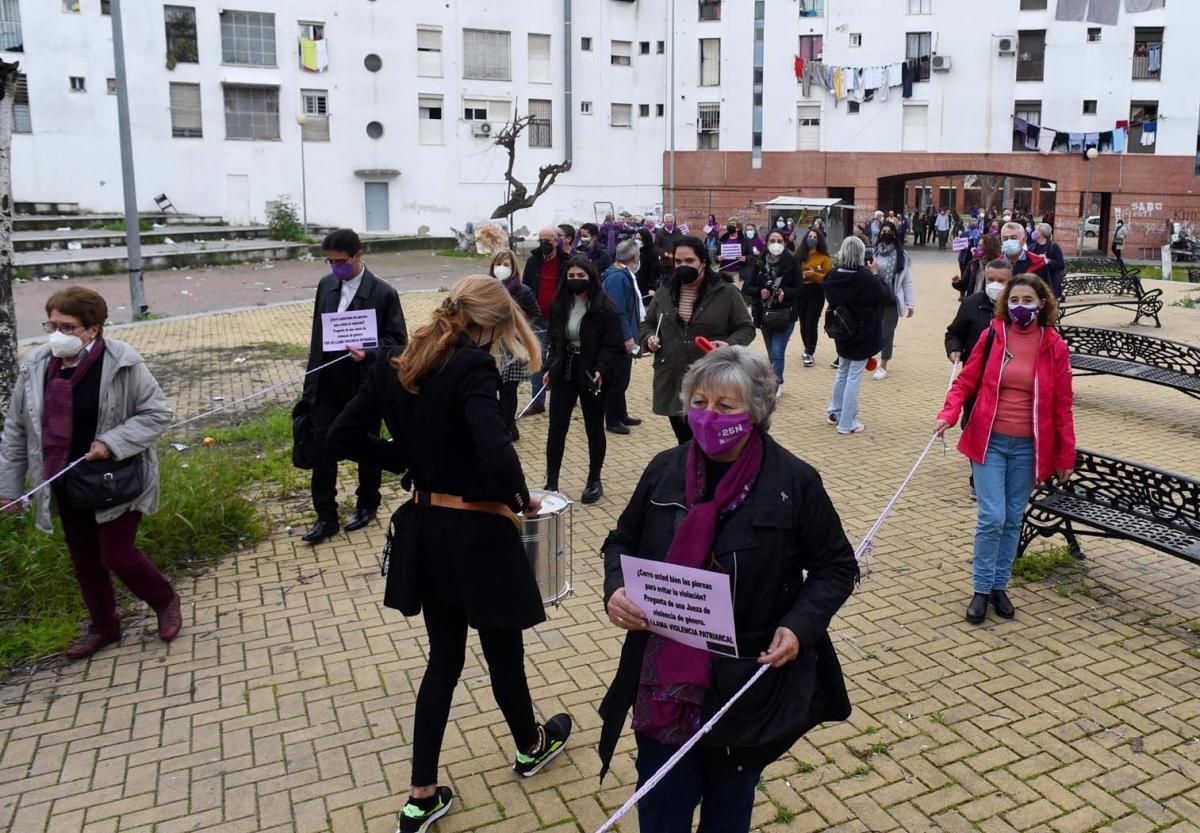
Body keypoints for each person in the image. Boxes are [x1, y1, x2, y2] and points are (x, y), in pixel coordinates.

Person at [326, 276, 571, 833]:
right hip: (480, 534)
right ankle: (530, 747)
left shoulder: (398, 362)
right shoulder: (474, 367)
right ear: (488, 324)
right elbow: (494, 446)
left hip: (428, 528)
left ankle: (421, 796)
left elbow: (340, 437)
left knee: (445, 660)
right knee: (502, 653)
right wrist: (520, 498)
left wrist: (411, 464)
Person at [597, 346, 858, 833]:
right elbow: (622, 540)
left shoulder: (794, 482)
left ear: (757, 411)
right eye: (699, 402)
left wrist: (800, 627)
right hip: (664, 682)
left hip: (744, 686)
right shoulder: (664, 469)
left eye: (725, 406)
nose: (708, 416)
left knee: (728, 811)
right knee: (662, 812)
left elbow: (837, 566)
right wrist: (615, 588)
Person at [0, 287, 179, 659]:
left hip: (116, 477)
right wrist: (8, 488)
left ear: (93, 329)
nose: (56, 335)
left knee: (118, 554)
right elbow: (17, 429)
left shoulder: (123, 362)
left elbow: (157, 413)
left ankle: (164, 600)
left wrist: (111, 442)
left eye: (67, 327)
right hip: (63, 479)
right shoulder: (36, 366)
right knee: (85, 562)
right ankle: (104, 626)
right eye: (51, 325)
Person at [935, 274, 1076, 624]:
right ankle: (981, 590)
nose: (1020, 307)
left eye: (1028, 301)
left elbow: (1062, 404)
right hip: (990, 442)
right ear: (1005, 304)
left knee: (1012, 519)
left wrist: (1065, 456)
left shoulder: (1054, 345)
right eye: (1014, 301)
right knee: (991, 517)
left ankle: (1000, 586)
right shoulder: (994, 335)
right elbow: (966, 379)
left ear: (1042, 304)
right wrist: (948, 414)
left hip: (1029, 447)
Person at [300, 229, 408, 544]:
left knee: (366, 445)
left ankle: (367, 503)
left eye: (341, 262)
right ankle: (325, 516)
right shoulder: (326, 285)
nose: (336, 268)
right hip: (328, 381)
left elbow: (398, 342)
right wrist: (311, 383)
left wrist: (370, 353)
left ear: (358, 255)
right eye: (330, 262)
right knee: (323, 447)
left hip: (363, 382)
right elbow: (317, 338)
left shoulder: (383, 293)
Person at [641, 237, 755, 444]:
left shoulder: (725, 292)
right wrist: (649, 338)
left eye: (689, 261)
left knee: (708, 440)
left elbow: (746, 328)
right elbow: (647, 324)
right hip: (672, 378)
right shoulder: (664, 291)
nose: (683, 266)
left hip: (709, 378)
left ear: (703, 261)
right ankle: (691, 474)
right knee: (684, 441)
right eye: (678, 261)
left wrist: (728, 345)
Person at [543, 257, 625, 504]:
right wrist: (550, 366)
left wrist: (601, 369)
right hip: (564, 369)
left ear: (591, 277)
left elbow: (614, 346)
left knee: (593, 427)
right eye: (571, 276)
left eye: (581, 276)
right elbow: (554, 339)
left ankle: (594, 480)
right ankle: (552, 482)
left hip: (591, 371)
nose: (576, 281)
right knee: (556, 428)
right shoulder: (560, 305)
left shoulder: (605, 309)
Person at [823, 237, 889, 434]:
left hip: (842, 329)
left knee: (843, 371)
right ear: (861, 255)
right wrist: (876, 274)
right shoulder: (866, 278)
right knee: (853, 376)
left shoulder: (832, 275)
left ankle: (835, 410)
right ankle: (847, 421)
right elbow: (885, 296)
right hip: (863, 332)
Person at [491, 249, 545, 442]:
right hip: (492, 346)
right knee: (492, 386)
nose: (501, 269)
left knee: (508, 389)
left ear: (514, 267)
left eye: (506, 265)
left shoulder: (523, 291)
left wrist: (519, 328)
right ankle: (502, 425)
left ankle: (508, 427)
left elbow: (536, 314)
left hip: (513, 347)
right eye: (498, 264)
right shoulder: (488, 289)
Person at [742, 229, 800, 397]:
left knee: (777, 351)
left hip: (785, 314)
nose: (776, 245)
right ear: (766, 244)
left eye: (779, 241)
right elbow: (747, 288)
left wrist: (785, 293)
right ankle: (771, 380)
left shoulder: (791, 262)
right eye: (772, 241)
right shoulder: (760, 263)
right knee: (770, 352)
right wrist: (760, 291)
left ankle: (777, 383)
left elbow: (799, 287)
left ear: (785, 243)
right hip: (764, 314)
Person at [602, 239, 646, 435]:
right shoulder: (618, 278)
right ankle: (612, 419)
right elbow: (618, 310)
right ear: (635, 257)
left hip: (624, 334)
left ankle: (622, 414)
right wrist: (627, 337)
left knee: (623, 377)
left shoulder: (623, 274)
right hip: (618, 338)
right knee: (617, 379)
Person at [872, 221, 915, 381]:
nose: (885, 233)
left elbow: (907, 281)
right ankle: (869, 358)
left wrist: (910, 304)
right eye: (883, 231)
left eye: (889, 231)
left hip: (892, 299)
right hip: (875, 298)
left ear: (894, 234)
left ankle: (883, 365)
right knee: (873, 330)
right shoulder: (874, 253)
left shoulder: (902, 256)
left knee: (886, 333)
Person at [795, 227, 832, 369]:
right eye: (809, 236)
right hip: (801, 291)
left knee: (812, 322)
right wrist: (801, 275)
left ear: (819, 240)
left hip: (816, 291)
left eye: (815, 237)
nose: (812, 239)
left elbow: (828, 277)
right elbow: (793, 271)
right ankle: (806, 347)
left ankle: (810, 351)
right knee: (803, 322)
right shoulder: (799, 255)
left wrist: (814, 274)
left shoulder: (824, 257)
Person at [1028, 223, 1066, 298]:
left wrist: (1048, 261)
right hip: (1035, 282)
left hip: (1050, 283)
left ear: (1042, 233)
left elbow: (1061, 264)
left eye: (1036, 230)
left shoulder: (1053, 246)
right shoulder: (1032, 247)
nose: (1034, 233)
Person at [635, 226, 663, 298]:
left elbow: (654, 271)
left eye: (640, 239)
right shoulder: (634, 250)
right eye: (636, 238)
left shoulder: (652, 253)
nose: (637, 241)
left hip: (646, 287)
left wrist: (652, 287)